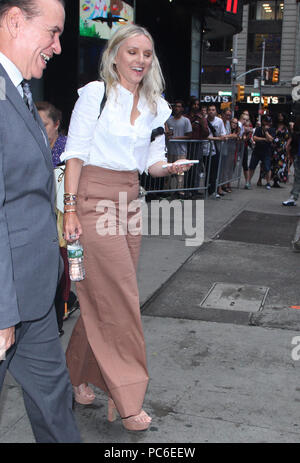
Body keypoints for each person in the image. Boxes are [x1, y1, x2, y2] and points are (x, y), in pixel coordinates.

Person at [62, 24, 191, 432]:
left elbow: (150, 161)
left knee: (105, 294)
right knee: (121, 297)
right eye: (132, 52)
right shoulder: (94, 96)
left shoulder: (157, 106)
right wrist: (68, 210)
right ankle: (128, 396)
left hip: (130, 200)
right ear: (115, 55)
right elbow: (75, 156)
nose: (140, 60)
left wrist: (168, 168)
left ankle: (75, 375)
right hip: (91, 198)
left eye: (147, 54)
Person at [0, 0, 81, 443]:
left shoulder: (19, 91)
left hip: (32, 296)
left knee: (55, 401)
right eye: (52, 32)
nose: (58, 46)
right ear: (15, 21)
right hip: (5, 299)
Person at [37, 101, 78, 336]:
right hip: (36, 221)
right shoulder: (32, 146)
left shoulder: (67, 151)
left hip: (63, 223)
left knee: (61, 271)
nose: (40, 129)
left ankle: (58, 317)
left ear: (57, 125)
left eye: (44, 124)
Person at [166, 100, 192, 197]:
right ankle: (166, 190)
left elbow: (189, 135)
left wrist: (175, 138)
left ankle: (180, 191)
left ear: (182, 108)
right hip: (170, 150)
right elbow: (167, 134)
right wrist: (169, 136)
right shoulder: (169, 121)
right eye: (176, 106)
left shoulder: (186, 120)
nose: (177, 108)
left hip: (181, 150)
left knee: (180, 172)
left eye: (179, 106)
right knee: (168, 171)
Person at [248, 115, 275, 190]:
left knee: (267, 167)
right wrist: (264, 139)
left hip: (266, 151)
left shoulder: (272, 130)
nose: (267, 123)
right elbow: (255, 138)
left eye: (268, 122)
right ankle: (248, 181)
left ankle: (268, 182)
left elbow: (270, 139)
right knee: (252, 166)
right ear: (263, 121)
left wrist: (266, 131)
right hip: (257, 150)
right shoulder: (258, 129)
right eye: (266, 121)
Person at [207, 104, 227, 197]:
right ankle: (206, 189)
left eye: (213, 110)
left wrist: (212, 139)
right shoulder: (204, 120)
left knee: (213, 171)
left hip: (214, 149)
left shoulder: (219, 121)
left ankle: (212, 190)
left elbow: (223, 136)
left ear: (216, 111)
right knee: (206, 171)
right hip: (204, 149)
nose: (211, 111)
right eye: (209, 110)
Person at [282, 115, 300, 206]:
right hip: (298, 156)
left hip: (297, 156)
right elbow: (288, 146)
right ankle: (293, 197)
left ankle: (293, 197)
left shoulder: (295, 134)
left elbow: (288, 146)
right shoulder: (296, 134)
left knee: (297, 178)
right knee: (297, 178)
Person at [271, 112, 289, 187]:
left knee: (281, 165)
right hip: (274, 148)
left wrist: (287, 146)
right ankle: (274, 180)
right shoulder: (274, 126)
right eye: (279, 116)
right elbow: (271, 134)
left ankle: (278, 180)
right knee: (274, 164)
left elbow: (288, 137)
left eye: (282, 116)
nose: (280, 117)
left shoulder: (286, 127)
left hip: (282, 149)